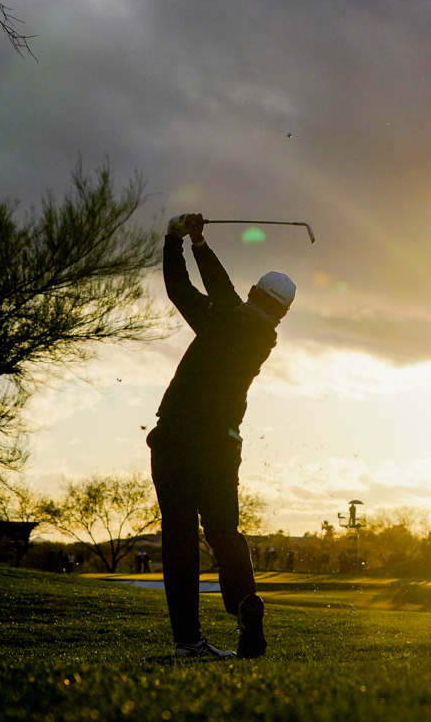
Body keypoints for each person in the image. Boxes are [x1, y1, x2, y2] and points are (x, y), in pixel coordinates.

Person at [147, 212, 295, 659]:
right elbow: (223, 292)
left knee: (178, 535)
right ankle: (244, 604)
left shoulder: (221, 318)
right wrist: (199, 243)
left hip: (175, 437)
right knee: (224, 531)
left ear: (253, 293)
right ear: (282, 314)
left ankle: (189, 641)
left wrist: (180, 239)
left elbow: (182, 289)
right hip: (221, 444)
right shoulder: (263, 336)